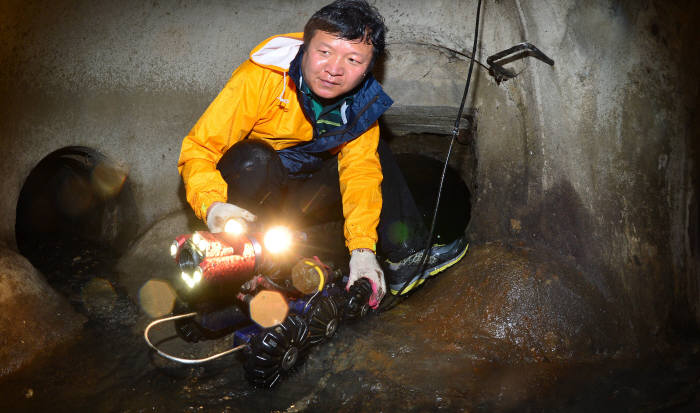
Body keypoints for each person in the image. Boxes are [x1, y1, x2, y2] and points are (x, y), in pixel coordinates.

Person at [178, 0, 468, 310]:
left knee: (373, 153)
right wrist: (212, 205)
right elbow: (201, 147)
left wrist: (362, 251)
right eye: (324, 52)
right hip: (251, 195)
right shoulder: (263, 77)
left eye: (353, 59)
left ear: (369, 67)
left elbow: (361, 175)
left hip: (305, 195)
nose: (334, 70)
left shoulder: (360, 108)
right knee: (253, 159)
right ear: (306, 47)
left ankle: (404, 258)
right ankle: (240, 257)